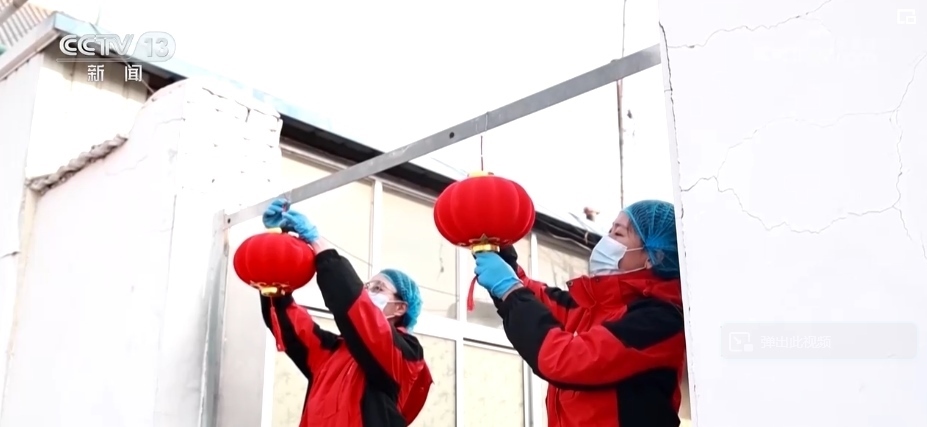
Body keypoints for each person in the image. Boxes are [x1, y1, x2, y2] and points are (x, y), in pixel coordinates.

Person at [474, 199, 685, 427]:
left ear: (655, 257)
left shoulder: (659, 321)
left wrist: (510, 289)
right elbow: (539, 300)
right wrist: (503, 255)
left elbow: (567, 359)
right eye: (609, 230)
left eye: (619, 234)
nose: (606, 240)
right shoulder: (597, 306)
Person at [259, 198, 432, 427]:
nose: (367, 292)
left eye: (378, 288)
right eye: (367, 286)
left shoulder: (406, 355)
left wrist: (317, 242)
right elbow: (291, 324)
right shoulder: (331, 352)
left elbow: (356, 307)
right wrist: (275, 254)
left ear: (400, 307)